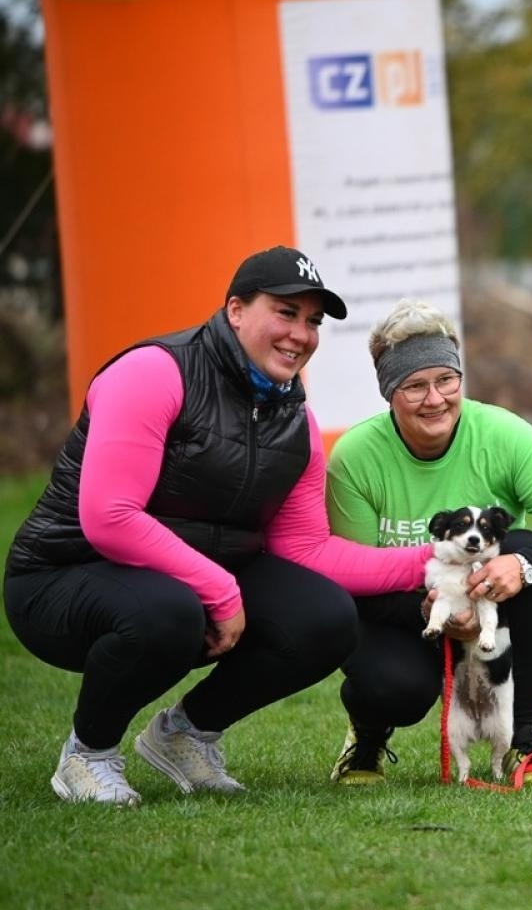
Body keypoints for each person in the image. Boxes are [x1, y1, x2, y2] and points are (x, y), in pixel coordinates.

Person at [4, 246, 432, 806]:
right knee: (169, 611)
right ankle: (88, 755)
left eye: (312, 321)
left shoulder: (295, 417)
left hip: (187, 584)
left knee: (327, 618)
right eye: (285, 312)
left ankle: (186, 734)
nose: (300, 334)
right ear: (235, 310)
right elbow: (109, 518)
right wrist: (220, 588)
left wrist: (435, 560)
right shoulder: (154, 371)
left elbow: (306, 549)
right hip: (65, 575)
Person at [324, 299, 532, 788]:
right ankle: (368, 737)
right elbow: (351, 579)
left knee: (526, 550)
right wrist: (430, 610)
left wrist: (521, 565)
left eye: (446, 380)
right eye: (414, 385)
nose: (434, 399)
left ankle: (524, 740)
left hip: (488, 613)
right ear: (389, 391)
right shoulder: (355, 456)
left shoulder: (505, 435)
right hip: (403, 612)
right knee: (397, 688)